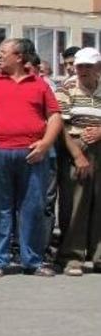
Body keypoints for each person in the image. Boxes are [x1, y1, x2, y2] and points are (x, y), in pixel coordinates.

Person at [0, 38, 62, 278]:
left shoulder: (40, 84)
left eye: (3, 52)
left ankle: (32, 260)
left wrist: (46, 143)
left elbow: (55, 116)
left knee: (33, 208)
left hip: (32, 154)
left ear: (19, 57)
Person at [55, 47, 101, 276]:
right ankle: (71, 257)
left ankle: (98, 255)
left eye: (88, 66)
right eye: (80, 65)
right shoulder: (67, 88)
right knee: (75, 205)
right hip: (76, 147)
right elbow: (60, 124)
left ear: (98, 68)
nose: (82, 70)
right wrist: (77, 155)